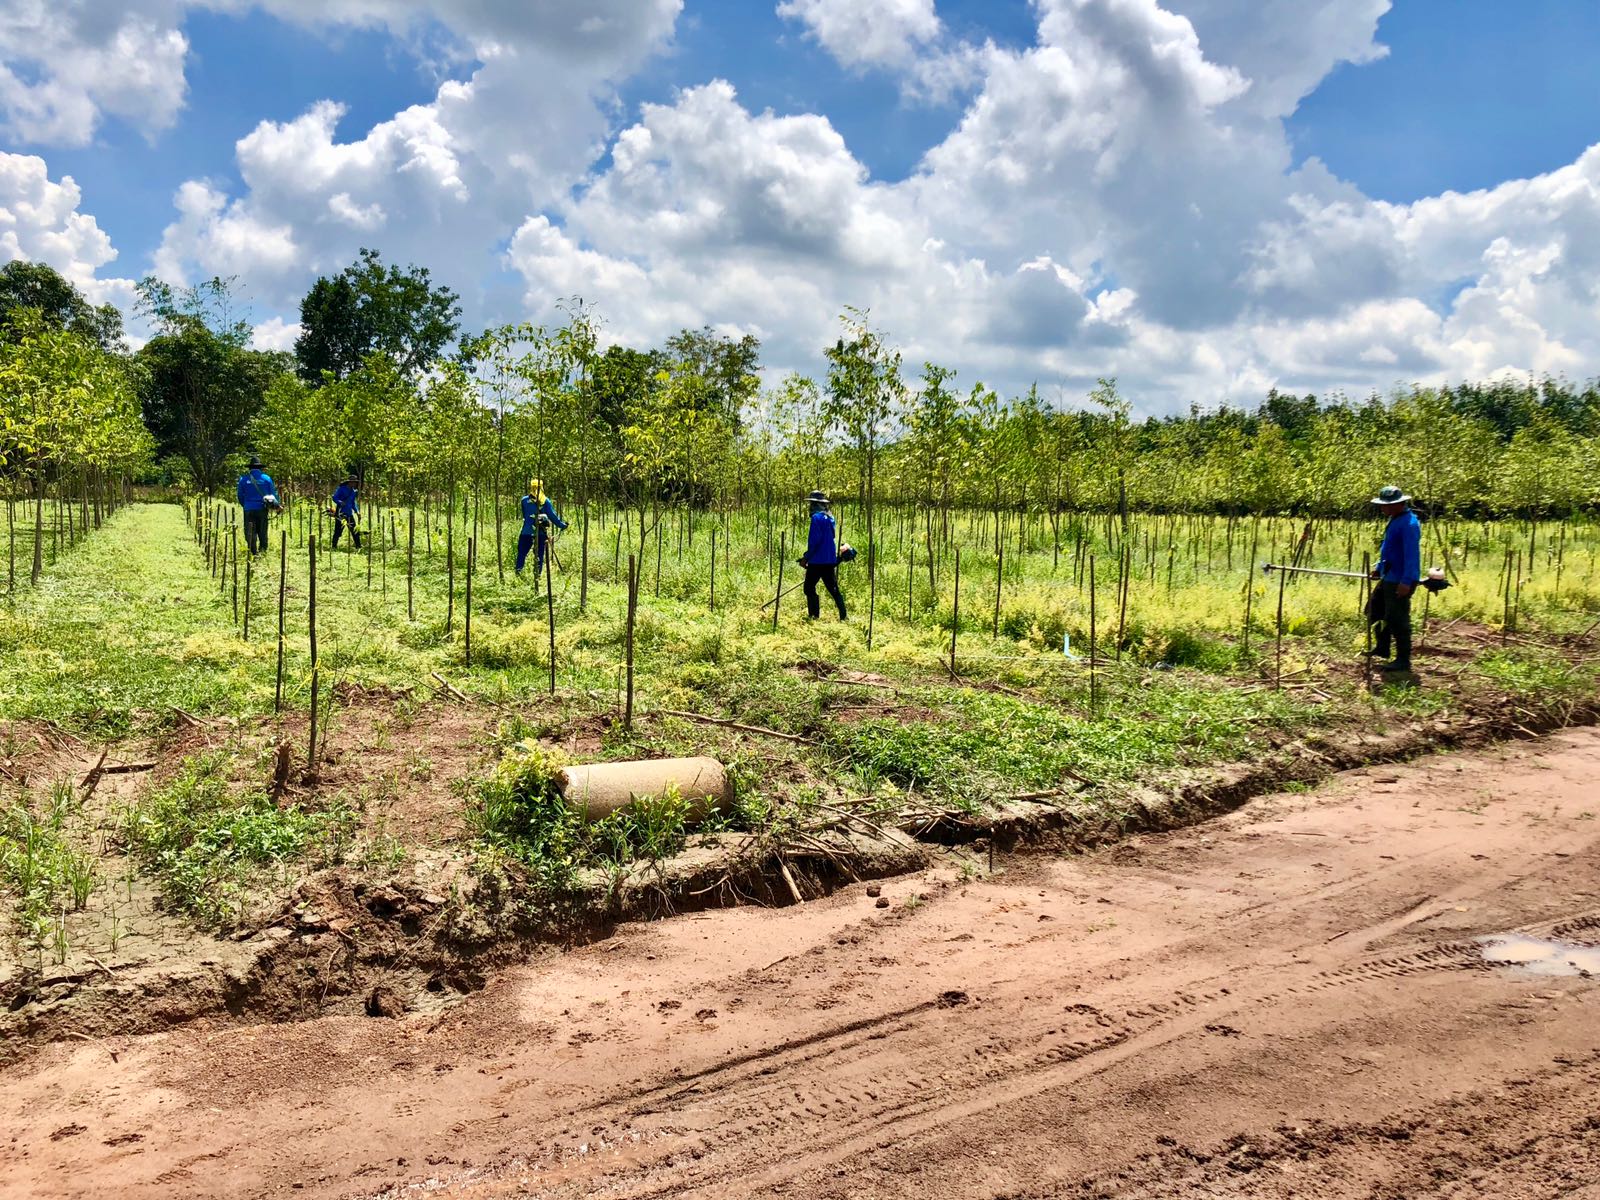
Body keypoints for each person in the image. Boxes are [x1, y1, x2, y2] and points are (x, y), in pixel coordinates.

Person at [1366, 484, 1422, 672]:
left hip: (1400, 579)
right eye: (1382, 505)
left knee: (1397, 619)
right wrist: (1379, 568)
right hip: (1388, 576)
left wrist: (1406, 582)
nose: (1383, 508)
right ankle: (1382, 648)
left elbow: (1412, 555)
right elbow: (1389, 551)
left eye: (1387, 505)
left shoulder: (1409, 524)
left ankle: (1403, 660)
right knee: (1374, 611)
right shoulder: (1395, 519)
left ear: (1399, 504)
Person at [800, 490, 847, 621]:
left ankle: (814, 616)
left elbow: (815, 541)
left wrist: (806, 558)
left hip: (816, 561)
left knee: (809, 588)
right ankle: (844, 616)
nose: (810, 506)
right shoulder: (830, 518)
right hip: (829, 560)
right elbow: (831, 537)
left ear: (815, 504)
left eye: (811, 504)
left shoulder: (816, 518)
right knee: (834, 590)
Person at [516, 478, 568, 577]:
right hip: (540, 533)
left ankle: (518, 574)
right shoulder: (545, 501)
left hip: (526, 532)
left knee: (521, 553)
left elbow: (525, 515)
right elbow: (552, 516)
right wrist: (562, 525)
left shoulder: (524, 500)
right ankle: (537, 576)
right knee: (539, 555)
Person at [236, 455, 280, 556]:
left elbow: (240, 496)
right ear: (260, 468)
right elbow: (273, 495)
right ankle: (263, 552)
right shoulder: (267, 479)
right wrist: (276, 505)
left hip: (248, 509)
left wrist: (246, 505)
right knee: (262, 531)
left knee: (250, 531)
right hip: (262, 508)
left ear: (250, 468)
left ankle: (252, 552)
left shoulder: (243, 480)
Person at [330, 476, 362, 550]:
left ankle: (358, 546)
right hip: (341, 513)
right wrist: (340, 502)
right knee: (338, 531)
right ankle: (334, 546)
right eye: (353, 482)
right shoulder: (341, 489)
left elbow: (353, 503)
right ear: (349, 482)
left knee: (354, 531)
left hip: (349, 514)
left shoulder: (353, 491)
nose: (354, 484)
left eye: (355, 482)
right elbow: (334, 497)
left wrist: (357, 511)